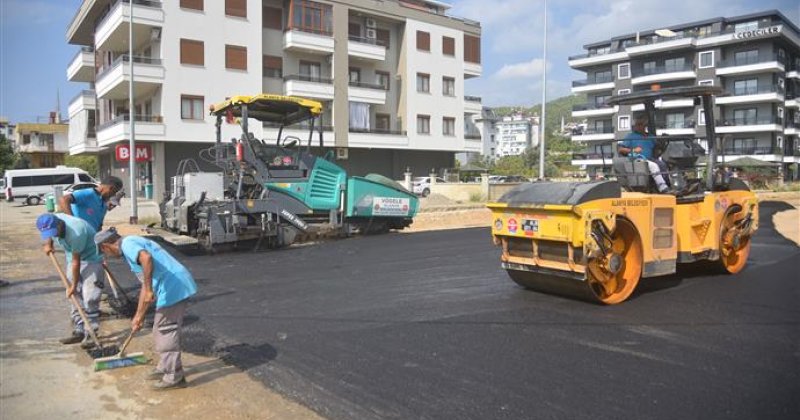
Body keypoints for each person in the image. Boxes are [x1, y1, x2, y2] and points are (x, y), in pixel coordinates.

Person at [94, 227, 198, 390]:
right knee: (159, 329)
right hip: (172, 284)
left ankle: (174, 377)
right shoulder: (132, 243)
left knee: (165, 330)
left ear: (106, 246)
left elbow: (146, 258)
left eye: (104, 252)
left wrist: (149, 289)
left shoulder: (128, 244)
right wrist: (138, 316)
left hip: (173, 286)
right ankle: (165, 366)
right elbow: (145, 286)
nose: (107, 255)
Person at [36, 213, 104, 348]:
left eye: (54, 232)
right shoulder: (50, 220)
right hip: (72, 257)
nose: (54, 235)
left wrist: (73, 285)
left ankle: (91, 331)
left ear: (59, 224)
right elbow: (49, 234)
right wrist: (48, 244)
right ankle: (79, 329)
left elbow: (76, 262)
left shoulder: (76, 232)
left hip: (91, 258)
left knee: (90, 296)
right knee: (74, 296)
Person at [618, 115, 671, 193]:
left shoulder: (650, 137)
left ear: (645, 126)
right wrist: (633, 150)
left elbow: (658, 147)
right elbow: (620, 149)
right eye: (637, 124)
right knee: (654, 166)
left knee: (663, 164)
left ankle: (669, 185)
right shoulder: (631, 136)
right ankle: (662, 187)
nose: (638, 126)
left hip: (650, 159)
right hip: (637, 159)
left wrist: (663, 141)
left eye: (641, 124)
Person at [59, 176, 124, 232]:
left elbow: (98, 226)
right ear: (111, 188)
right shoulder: (87, 194)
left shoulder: (104, 205)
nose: (114, 195)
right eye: (114, 192)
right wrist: (72, 221)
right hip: (78, 237)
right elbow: (63, 200)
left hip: (90, 240)